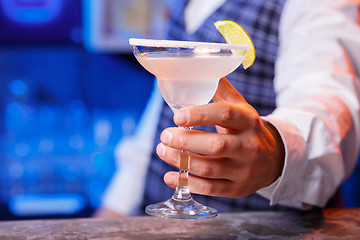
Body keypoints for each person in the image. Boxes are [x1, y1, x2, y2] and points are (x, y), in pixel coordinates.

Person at [94, 0, 360, 217]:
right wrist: (114, 209)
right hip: (152, 222)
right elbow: (157, 115)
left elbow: (329, 99)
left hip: (253, 230)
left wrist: (277, 151)